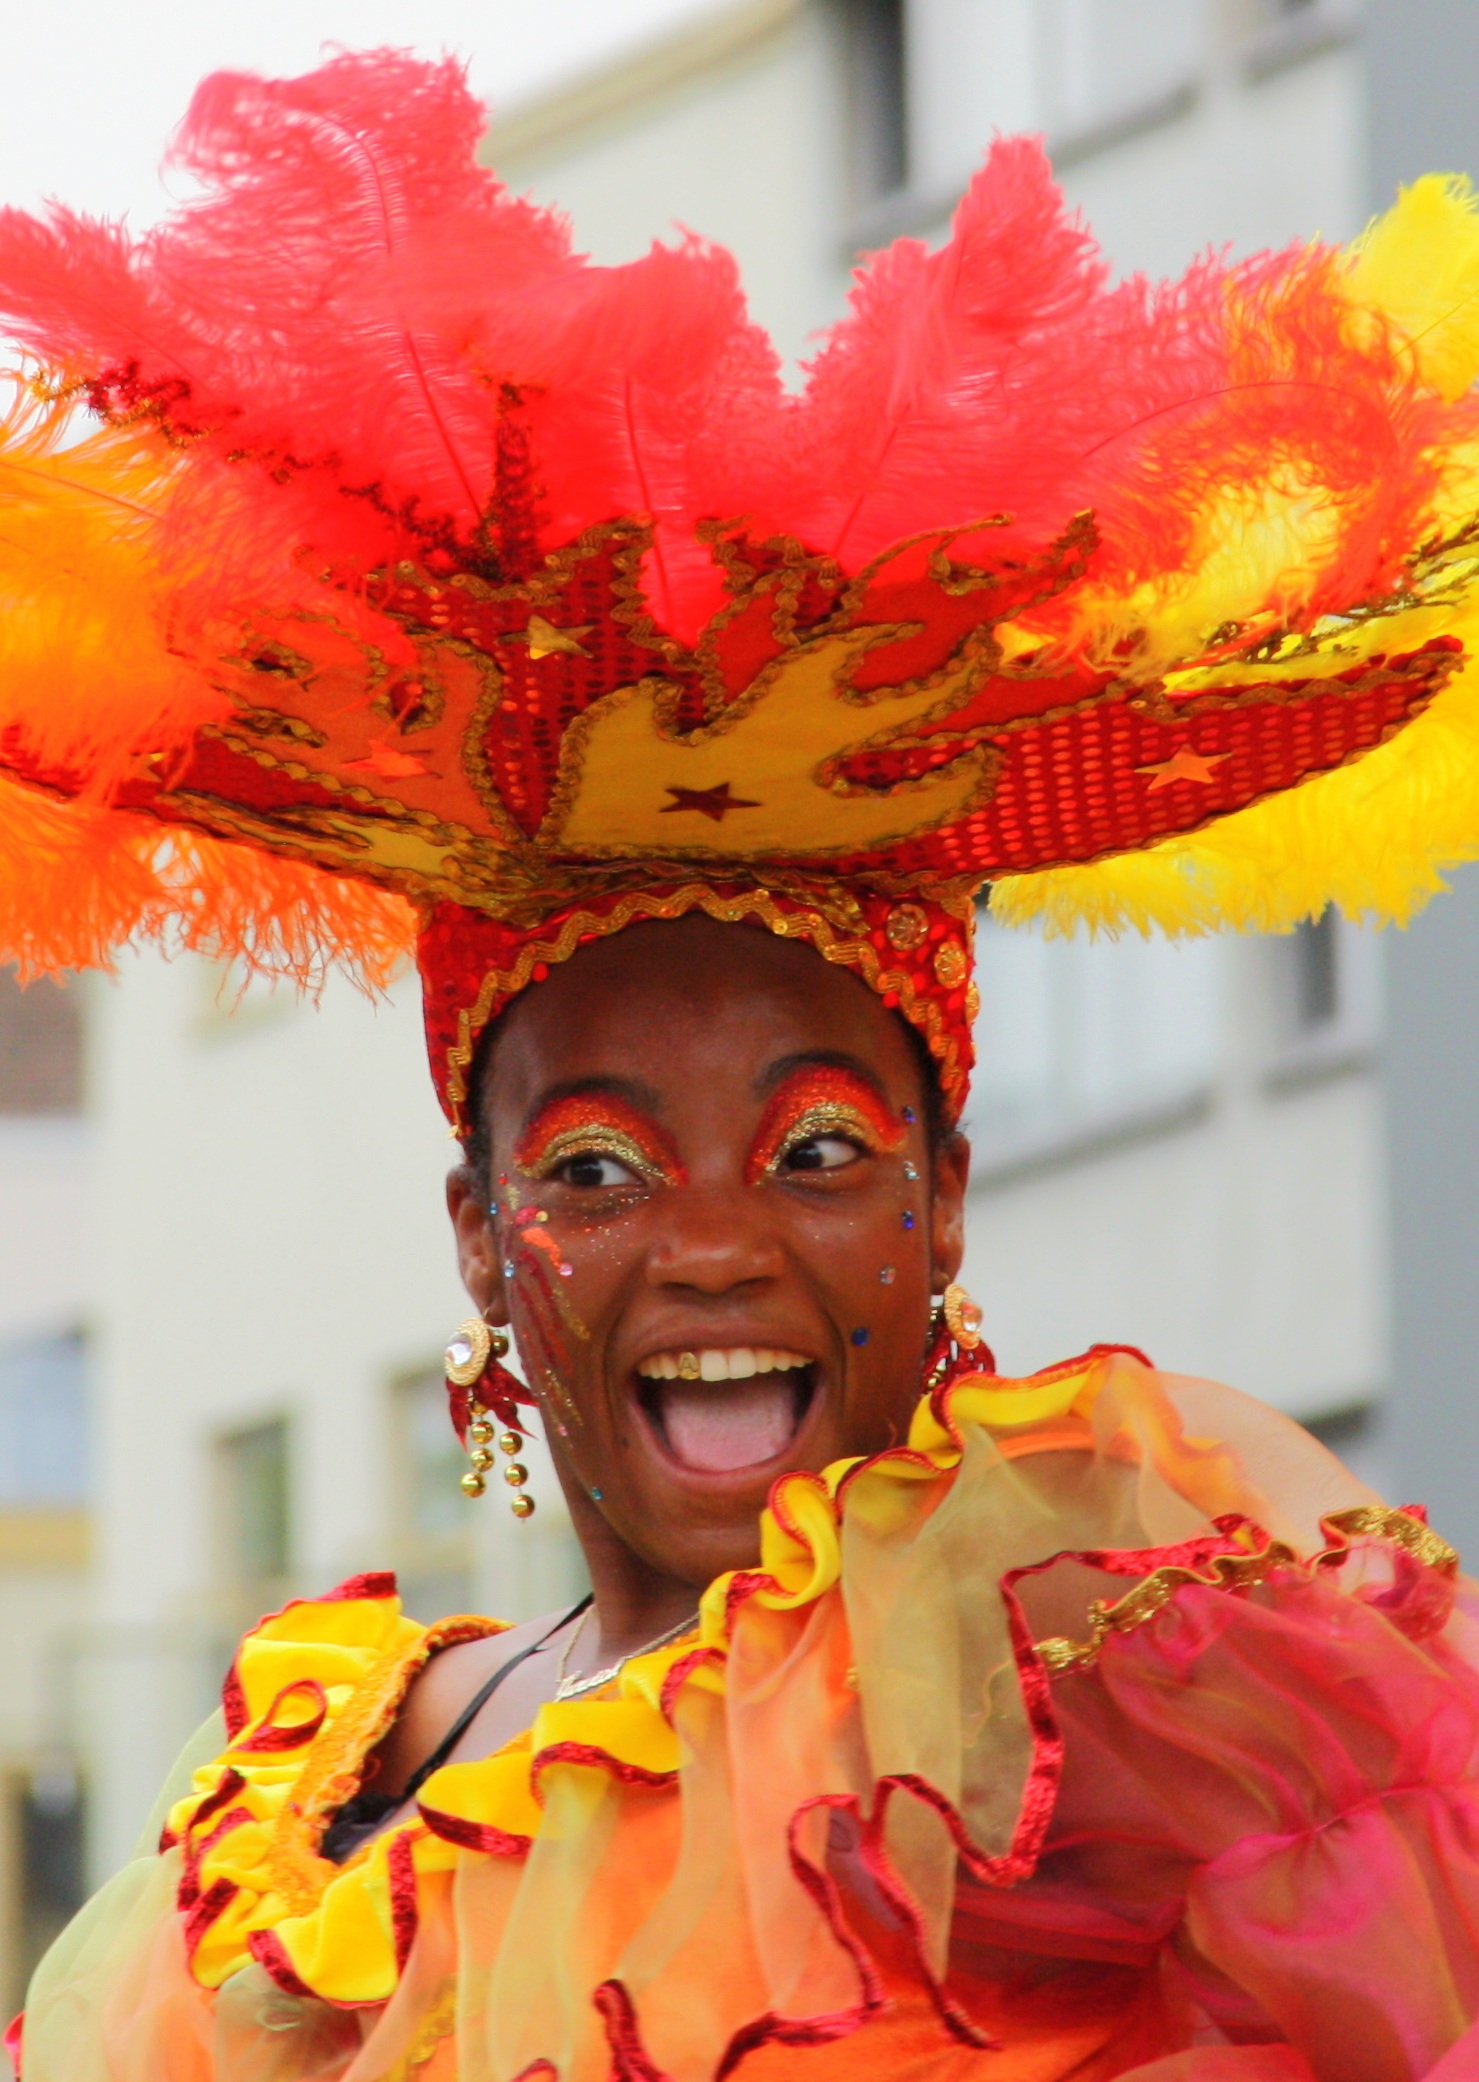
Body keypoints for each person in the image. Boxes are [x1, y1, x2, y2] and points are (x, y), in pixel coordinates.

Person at [3, 47, 1479, 2082]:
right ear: (473, 1236)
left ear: (939, 1196)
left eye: (809, 1151)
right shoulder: (309, 1804)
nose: (707, 1246)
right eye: (596, 1170)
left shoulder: (1129, 1715)